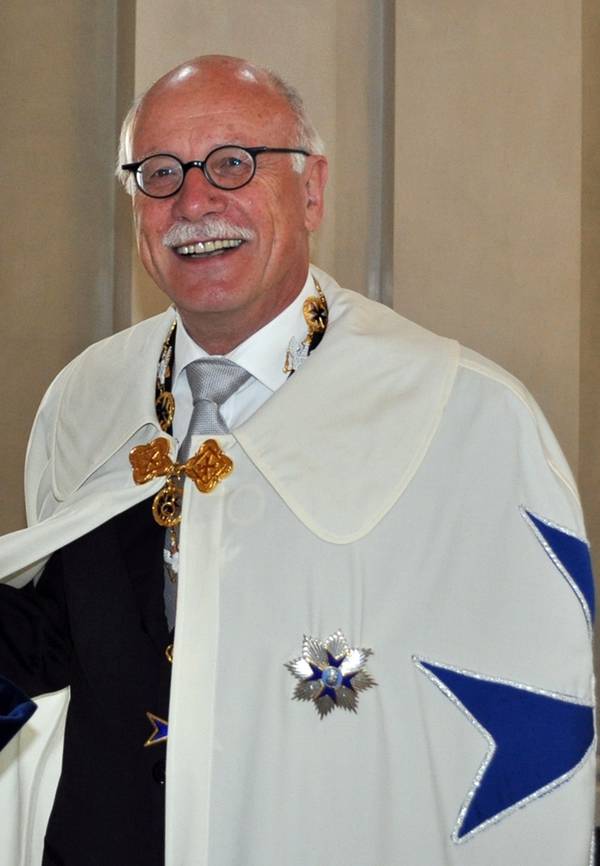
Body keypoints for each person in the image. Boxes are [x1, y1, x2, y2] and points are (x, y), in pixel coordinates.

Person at [0, 54, 595, 866]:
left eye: (234, 164)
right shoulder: (84, 399)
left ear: (311, 189)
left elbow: (526, 729)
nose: (195, 201)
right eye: (160, 173)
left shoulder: (464, 418)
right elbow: (56, 646)